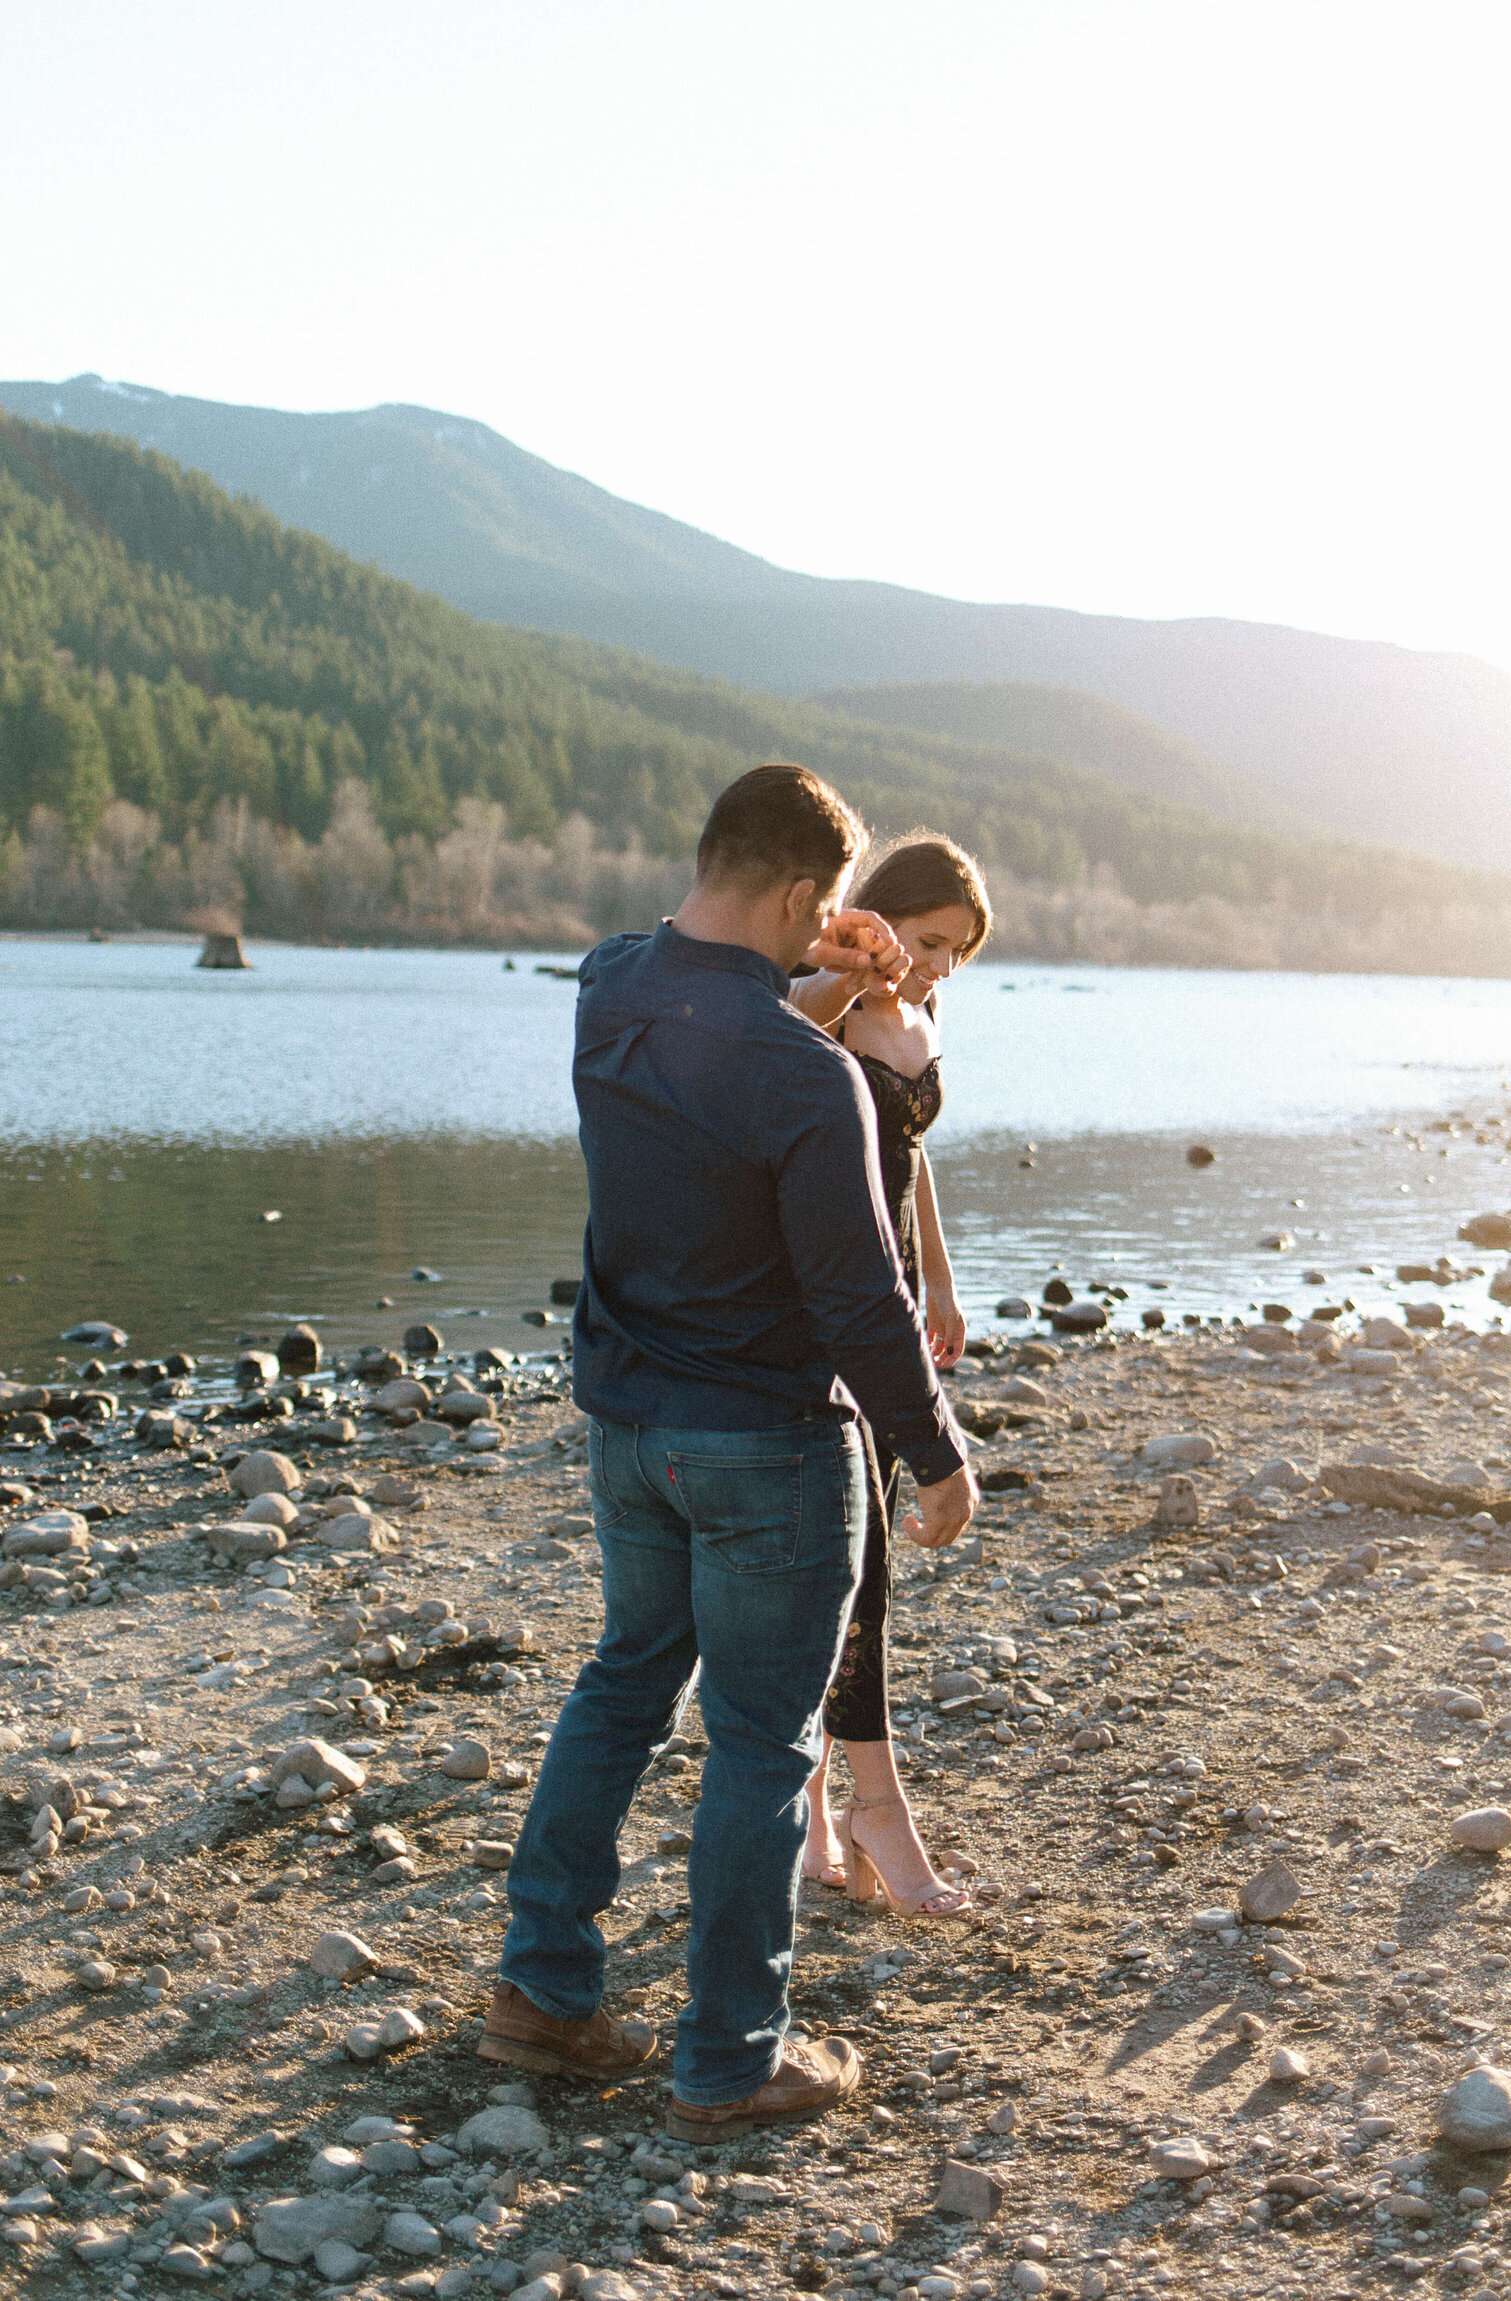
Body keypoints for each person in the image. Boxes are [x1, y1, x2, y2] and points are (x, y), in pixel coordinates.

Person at [479, 764, 979, 2143]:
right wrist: (935, 1455)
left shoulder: (606, 985)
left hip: (629, 1428)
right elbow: (859, 1298)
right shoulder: (807, 1079)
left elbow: (715, 1015)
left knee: (624, 1680)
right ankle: (729, 2058)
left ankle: (542, 1987)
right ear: (814, 900)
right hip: (766, 1443)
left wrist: (812, 966)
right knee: (763, 1744)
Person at [788, 833, 993, 1918]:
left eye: (958, 954)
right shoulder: (826, 997)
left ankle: (826, 1813)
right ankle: (866, 1810)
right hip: (829, 1297)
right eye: (929, 942)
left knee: (856, 1557)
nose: (938, 969)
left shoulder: (923, 1014)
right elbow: (765, 1056)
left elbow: (911, 1160)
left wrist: (944, 1289)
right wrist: (845, 974)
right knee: (851, 1554)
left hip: (897, 1293)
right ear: (882, 914)